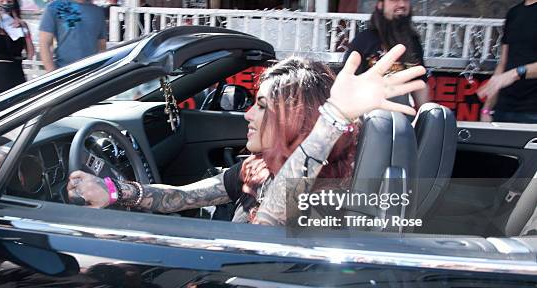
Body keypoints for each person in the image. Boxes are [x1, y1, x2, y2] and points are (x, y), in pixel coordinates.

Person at [67, 45, 426, 226]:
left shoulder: (321, 192)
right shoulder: (256, 169)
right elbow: (179, 197)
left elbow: (270, 219)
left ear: (296, 121)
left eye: (263, 106)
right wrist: (113, 190)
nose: (247, 114)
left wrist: (334, 117)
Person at [343, 0, 429, 109]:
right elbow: (346, 84)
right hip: (367, 113)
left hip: (401, 116)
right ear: (380, 5)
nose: (402, 4)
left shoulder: (413, 42)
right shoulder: (364, 40)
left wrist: (426, 112)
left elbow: (420, 84)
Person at [477, 0, 537, 123]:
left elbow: (508, 73)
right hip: (504, 109)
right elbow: (503, 65)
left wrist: (515, 73)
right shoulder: (514, 13)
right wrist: (487, 110)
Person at [39, 0, 106, 72]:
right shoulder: (53, 8)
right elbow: (44, 44)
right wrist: (52, 75)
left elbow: (102, 46)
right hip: (64, 73)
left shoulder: (97, 12)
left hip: (92, 75)